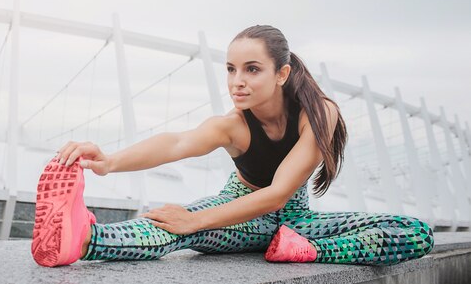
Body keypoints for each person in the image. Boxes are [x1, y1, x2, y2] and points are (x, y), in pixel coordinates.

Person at [30, 25, 434, 267]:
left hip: (297, 223)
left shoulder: (319, 113)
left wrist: (305, 245)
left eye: (252, 69)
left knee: (415, 232)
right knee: (178, 225)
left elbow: (279, 195)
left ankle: (310, 252)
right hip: (240, 211)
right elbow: (177, 143)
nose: (236, 81)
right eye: (230, 69)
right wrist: (109, 161)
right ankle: (84, 239)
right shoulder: (234, 126)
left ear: (282, 74)